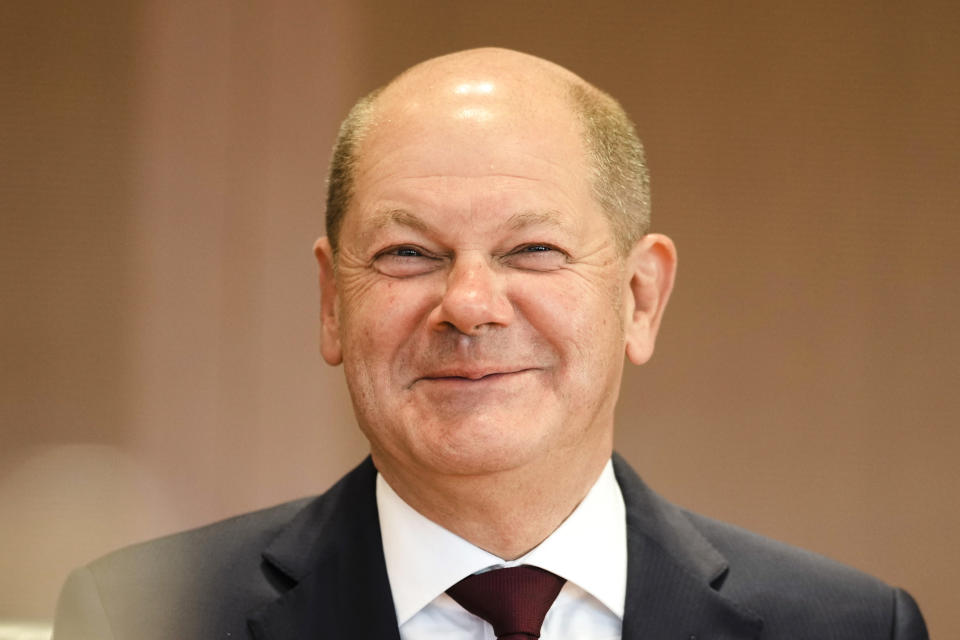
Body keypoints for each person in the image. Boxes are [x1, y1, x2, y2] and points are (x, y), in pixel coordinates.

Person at [52, 47, 927, 640]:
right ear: (331, 301)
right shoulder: (145, 617)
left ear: (639, 296)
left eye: (532, 251)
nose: (468, 305)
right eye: (407, 253)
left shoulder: (849, 626)